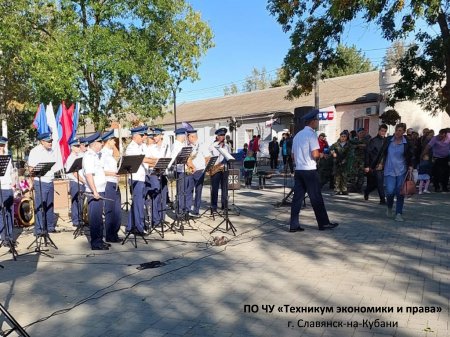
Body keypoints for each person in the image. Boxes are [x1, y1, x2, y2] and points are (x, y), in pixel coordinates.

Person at [289, 110, 339, 232]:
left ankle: (293, 225)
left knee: (297, 199)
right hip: (310, 170)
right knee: (316, 197)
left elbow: (292, 156)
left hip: (299, 170)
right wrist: (321, 155)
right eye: (317, 120)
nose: (318, 122)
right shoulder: (311, 135)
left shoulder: (297, 135)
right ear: (312, 122)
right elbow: (315, 154)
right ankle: (323, 223)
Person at [379, 123, 414, 222]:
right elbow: (382, 152)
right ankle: (389, 207)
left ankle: (399, 213)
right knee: (390, 192)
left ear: (404, 132)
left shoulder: (406, 142)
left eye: (400, 131)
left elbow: (411, 155)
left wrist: (411, 165)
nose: (398, 132)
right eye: (397, 130)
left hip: (401, 170)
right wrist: (380, 163)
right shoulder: (388, 140)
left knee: (400, 192)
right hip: (389, 170)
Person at [82, 132, 109, 250]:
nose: (102, 145)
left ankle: (100, 240)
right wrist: (94, 191)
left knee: (99, 218)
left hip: (100, 189)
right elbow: (89, 175)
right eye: (100, 142)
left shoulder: (96, 155)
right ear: (94, 144)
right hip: (94, 192)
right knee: (95, 218)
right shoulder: (88, 156)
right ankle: (96, 243)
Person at [28, 132, 58, 235]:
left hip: (50, 181)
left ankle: (50, 227)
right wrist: (32, 182)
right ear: (42, 141)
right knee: (40, 206)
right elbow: (31, 168)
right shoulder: (35, 151)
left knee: (50, 205)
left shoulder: (51, 151)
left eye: (51, 141)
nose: (50, 143)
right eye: (48, 141)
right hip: (40, 181)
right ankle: (39, 230)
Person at [125, 125, 148, 234]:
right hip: (136, 179)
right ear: (135, 136)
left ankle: (130, 226)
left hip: (141, 178)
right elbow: (144, 160)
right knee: (138, 203)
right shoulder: (132, 148)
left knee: (137, 203)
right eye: (141, 135)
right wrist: (156, 161)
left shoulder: (139, 146)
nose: (143, 137)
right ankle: (139, 227)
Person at [101, 130, 121, 242]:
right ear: (108, 141)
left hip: (115, 183)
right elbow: (101, 170)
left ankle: (115, 233)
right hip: (109, 182)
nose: (115, 141)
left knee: (117, 211)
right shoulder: (103, 153)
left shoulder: (110, 153)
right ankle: (110, 235)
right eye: (113, 140)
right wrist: (113, 173)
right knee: (110, 210)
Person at [185, 129, 211, 216]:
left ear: (192, 137)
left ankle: (196, 210)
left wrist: (208, 167)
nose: (187, 138)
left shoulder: (202, 145)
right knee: (189, 190)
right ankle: (187, 209)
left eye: (188, 137)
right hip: (190, 171)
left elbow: (207, 157)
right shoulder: (187, 146)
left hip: (200, 171)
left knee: (198, 191)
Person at [364, 124, 388, 204]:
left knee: (378, 182)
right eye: (382, 131)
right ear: (378, 130)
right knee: (377, 183)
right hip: (374, 165)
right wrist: (367, 165)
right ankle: (369, 192)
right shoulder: (373, 141)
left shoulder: (387, 141)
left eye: (384, 131)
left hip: (383, 165)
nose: (383, 133)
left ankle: (381, 198)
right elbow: (367, 153)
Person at [65, 138, 86, 228]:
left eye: (78, 146)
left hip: (81, 182)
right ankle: (76, 220)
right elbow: (74, 173)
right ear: (72, 147)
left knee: (80, 201)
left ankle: (80, 219)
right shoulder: (71, 158)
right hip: (75, 182)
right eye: (76, 146)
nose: (78, 147)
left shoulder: (79, 156)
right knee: (76, 202)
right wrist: (83, 181)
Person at [209, 128, 231, 211]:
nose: (223, 137)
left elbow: (228, 157)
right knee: (214, 188)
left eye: (223, 135)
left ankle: (224, 205)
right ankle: (213, 206)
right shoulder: (212, 146)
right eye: (221, 135)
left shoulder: (227, 146)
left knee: (225, 188)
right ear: (217, 136)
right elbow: (210, 158)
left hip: (224, 168)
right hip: (216, 169)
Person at [0, 137, 14, 246]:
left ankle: (10, 236)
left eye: (3, 145)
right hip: (1, 188)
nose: (2, 147)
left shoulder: (7, 158)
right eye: (0, 145)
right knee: (2, 214)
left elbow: (11, 172)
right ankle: (4, 238)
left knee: (10, 213)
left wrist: (14, 183)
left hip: (9, 188)